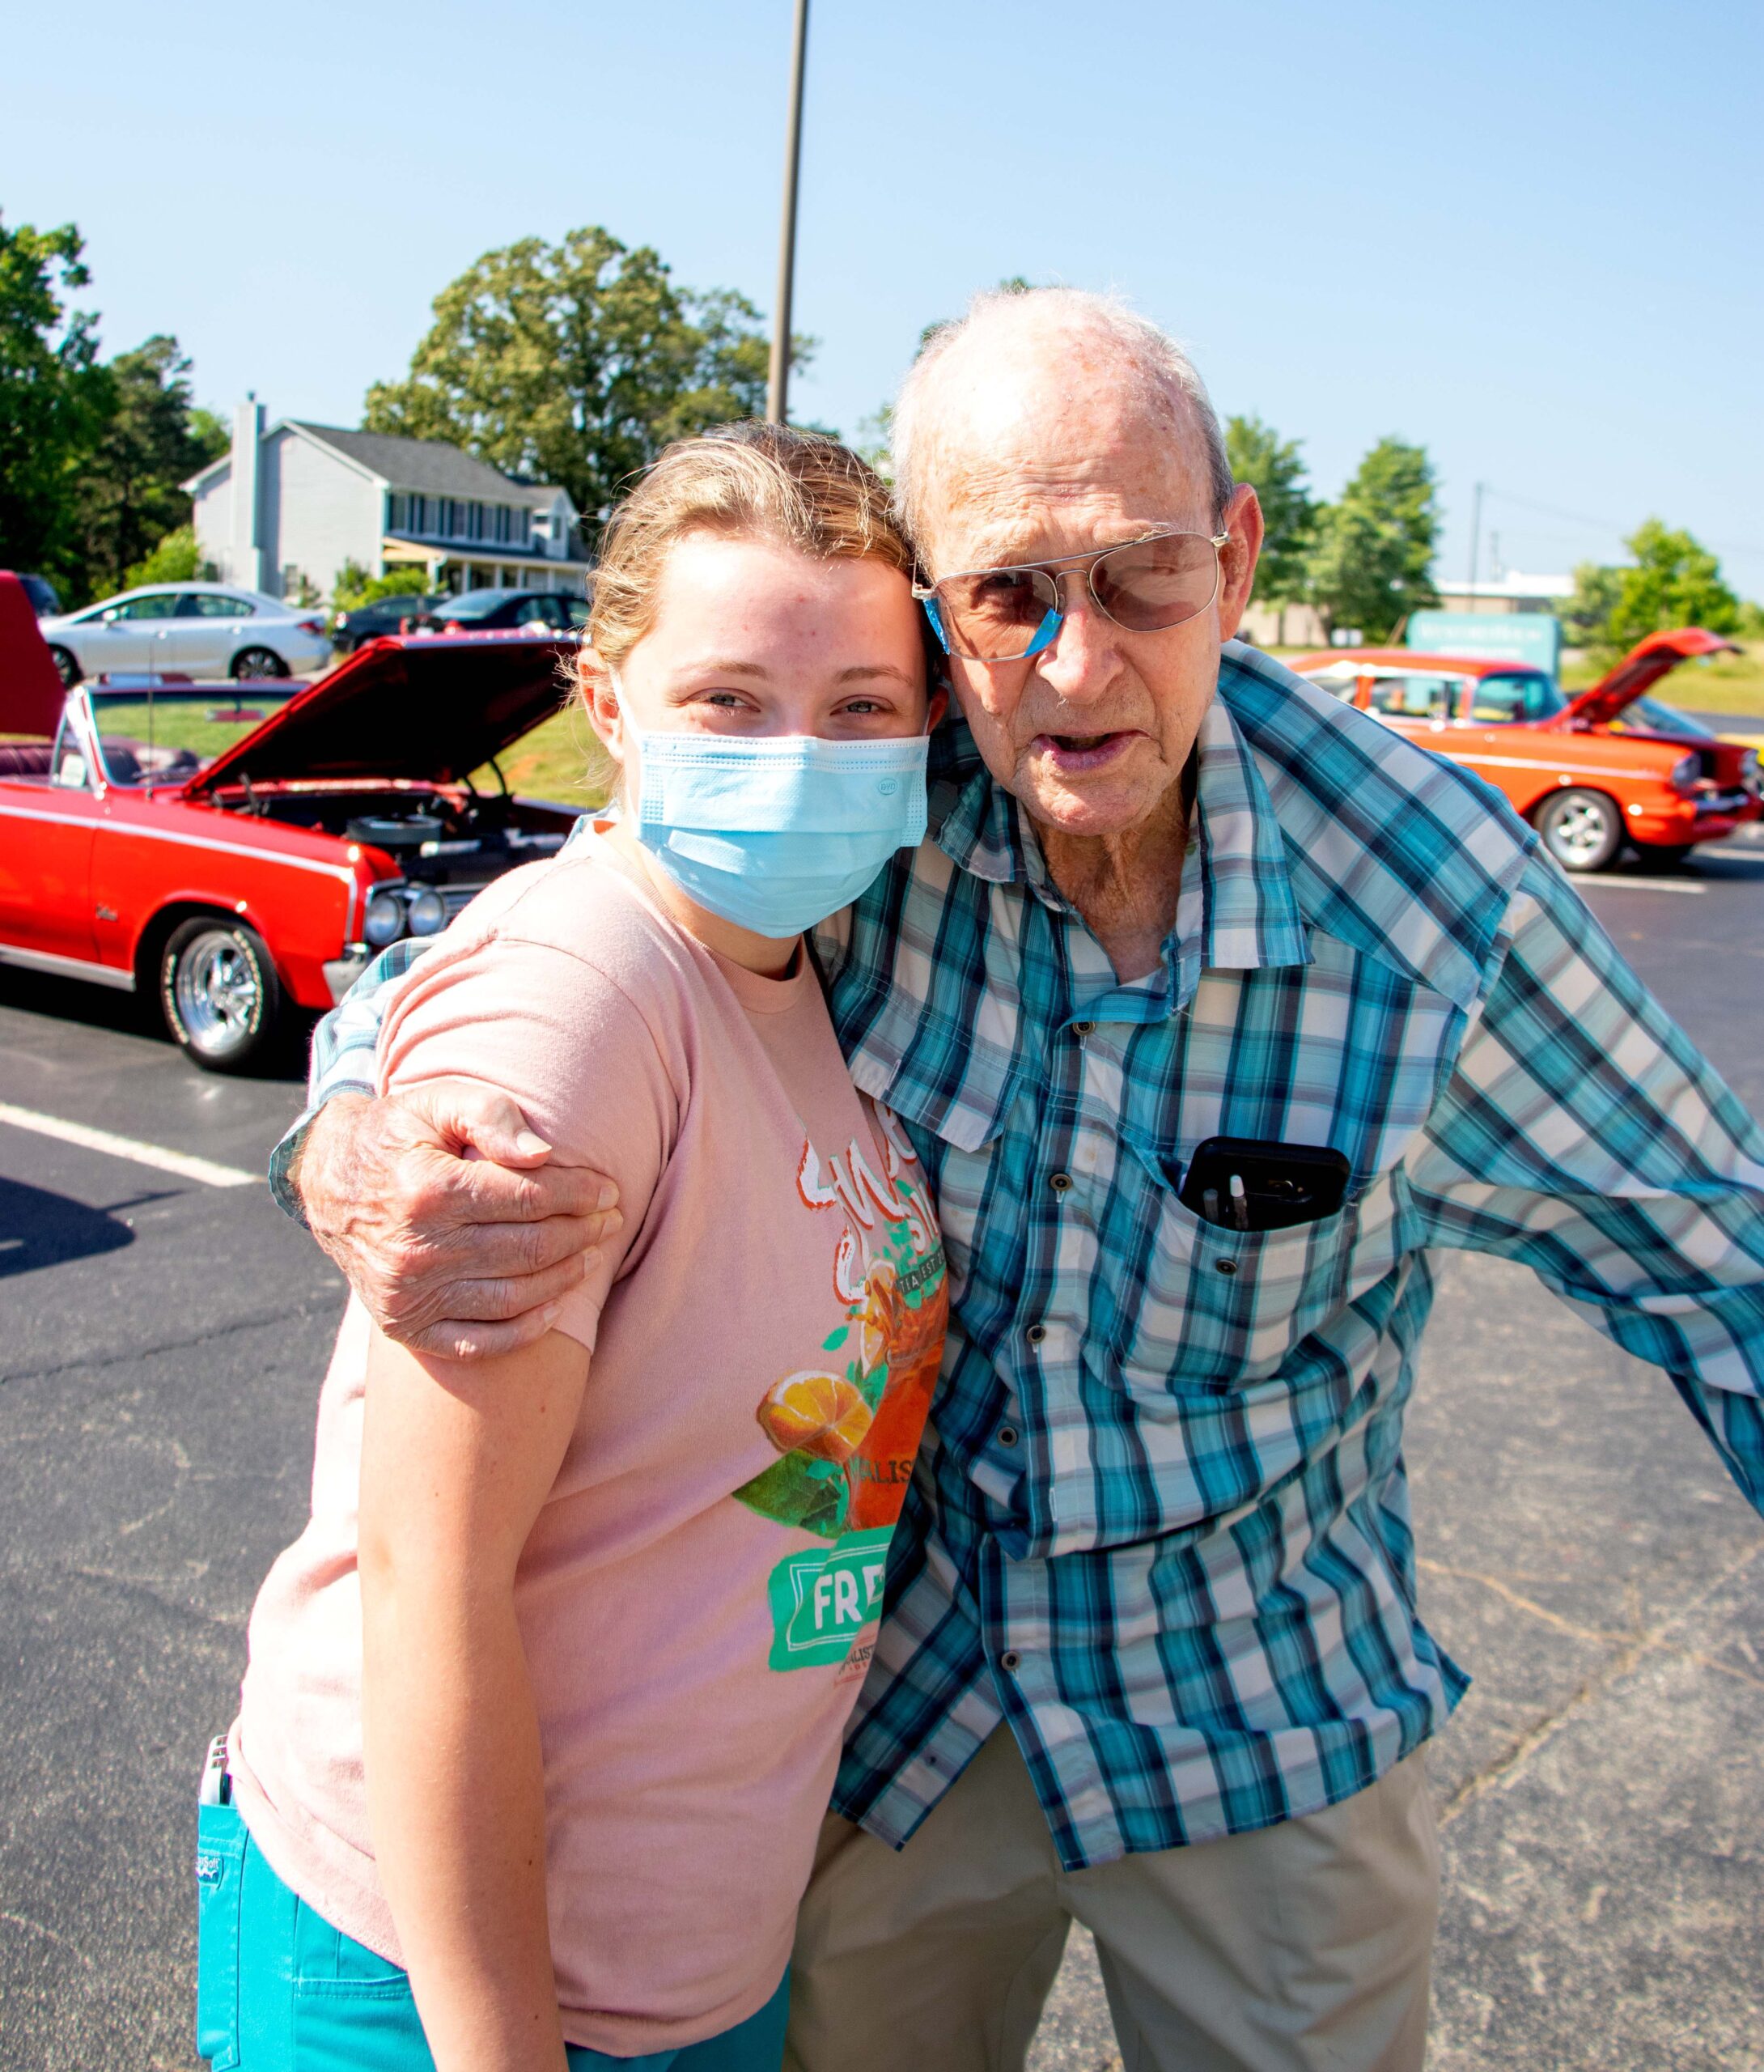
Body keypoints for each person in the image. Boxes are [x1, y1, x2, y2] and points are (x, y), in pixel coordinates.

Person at [276, 289, 1764, 2072]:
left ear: (1233, 558)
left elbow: (1721, 1259)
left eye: (1140, 576)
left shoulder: (1434, 913)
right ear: (932, 611)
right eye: (1004, 595)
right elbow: (525, 937)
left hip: (1252, 1698)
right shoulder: (858, 776)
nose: (1072, 665)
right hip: (892, 1698)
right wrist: (351, 1127)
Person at [199, 427, 949, 2071]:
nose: (798, 755)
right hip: (442, 1974)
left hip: (691, 1965)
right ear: (607, 705)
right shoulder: (583, 999)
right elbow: (428, 1575)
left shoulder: (803, 962)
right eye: (730, 700)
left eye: (860, 710)